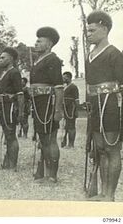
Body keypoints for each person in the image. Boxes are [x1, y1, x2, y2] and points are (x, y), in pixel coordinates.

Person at [85, 11, 123, 201]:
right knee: (100, 149)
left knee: (111, 148)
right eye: (87, 30)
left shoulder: (114, 53)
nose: (88, 34)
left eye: (92, 30)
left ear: (105, 29)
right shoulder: (90, 55)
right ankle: (102, 192)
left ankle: (110, 194)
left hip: (111, 106)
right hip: (95, 105)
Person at [30, 26, 63, 183]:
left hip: (48, 103)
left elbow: (59, 87)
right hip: (38, 103)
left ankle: (52, 176)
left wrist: (58, 110)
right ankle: (43, 171)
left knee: (50, 139)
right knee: (43, 139)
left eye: (39, 41)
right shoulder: (37, 61)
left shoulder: (53, 60)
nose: (36, 43)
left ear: (49, 44)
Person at [0, 47, 24, 171]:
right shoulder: (3, 73)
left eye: (3, 58)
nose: (0, 60)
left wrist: (21, 112)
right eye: (0, 58)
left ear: (11, 59)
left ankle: (13, 165)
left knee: (11, 135)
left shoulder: (14, 72)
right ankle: (7, 162)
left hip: (11, 107)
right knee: (7, 135)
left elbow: (20, 94)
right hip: (4, 107)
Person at [61, 71, 79, 148]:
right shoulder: (65, 87)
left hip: (71, 109)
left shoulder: (73, 87)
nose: (63, 79)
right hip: (66, 109)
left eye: (64, 78)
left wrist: (76, 110)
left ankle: (71, 144)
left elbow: (76, 100)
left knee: (71, 126)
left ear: (68, 78)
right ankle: (65, 142)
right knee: (67, 126)